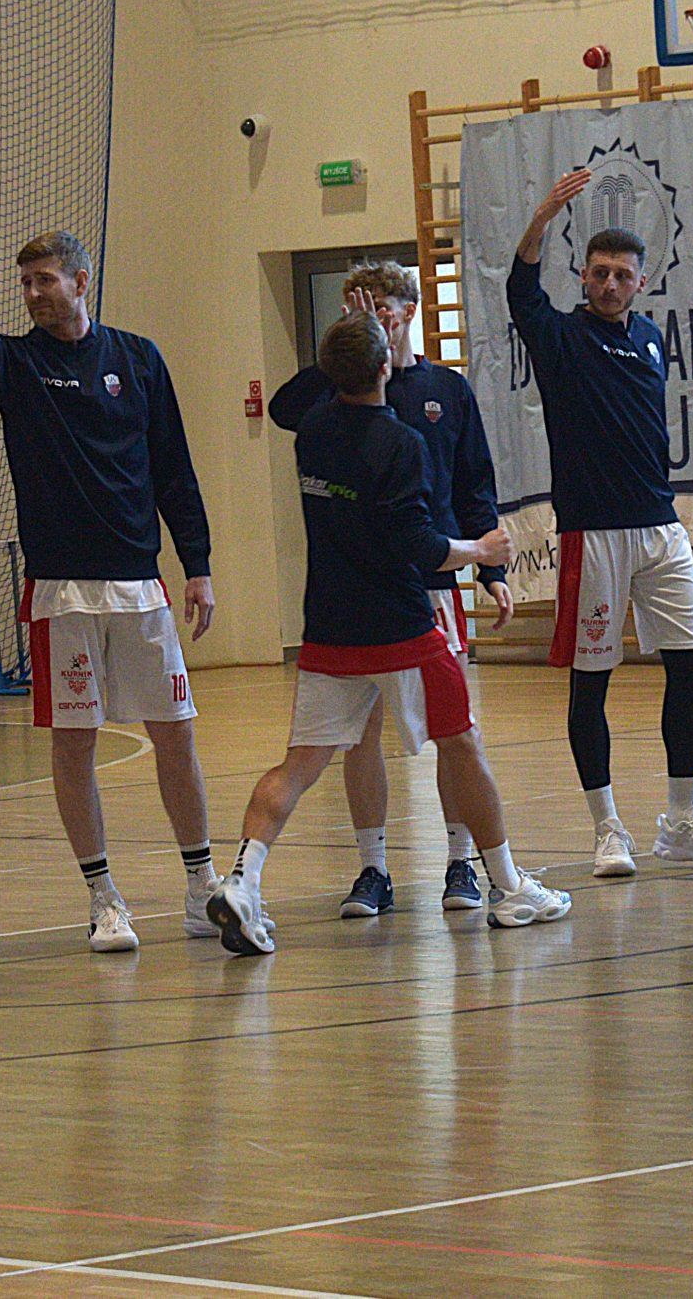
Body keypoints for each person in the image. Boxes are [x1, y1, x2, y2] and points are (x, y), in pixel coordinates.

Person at [210, 313, 569, 955]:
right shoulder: (400, 442)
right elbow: (419, 545)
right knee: (464, 746)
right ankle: (511, 886)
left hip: (328, 628)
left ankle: (242, 880)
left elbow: (305, 406)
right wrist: (480, 551)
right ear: (385, 368)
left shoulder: (312, 432)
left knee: (300, 764)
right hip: (401, 627)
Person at [0, 174, 221, 953]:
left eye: (44, 280)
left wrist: (197, 562)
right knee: (73, 744)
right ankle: (102, 897)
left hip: (140, 584)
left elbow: (174, 469)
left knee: (176, 735)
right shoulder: (17, 368)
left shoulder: (139, 359)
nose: (32, 294)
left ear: (81, 282)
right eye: (24, 283)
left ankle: (202, 886)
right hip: (60, 591)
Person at [508, 169, 693, 879]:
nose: (610, 284)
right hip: (593, 533)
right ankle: (607, 829)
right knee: (592, 682)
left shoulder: (649, 339)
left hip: (660, 528)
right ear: (583, 276)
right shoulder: (558, 337)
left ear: (642, 282)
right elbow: (519, 291)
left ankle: (682, 820)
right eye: (599, 272)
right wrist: (542, 217)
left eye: (622, 275)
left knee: (690, 666)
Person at [268, 261, 510, 918]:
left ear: (409, 311)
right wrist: (346, 338)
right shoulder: (343, 393)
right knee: (360, 733)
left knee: (452, 733)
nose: (375, 316)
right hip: (365, 592)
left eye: (383, 307)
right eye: (361, 307)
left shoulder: (444, 389)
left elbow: (474, 482)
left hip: (432, 581)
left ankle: (461, 862)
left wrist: (491, 572)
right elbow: (283, 409)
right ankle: (373, 868)